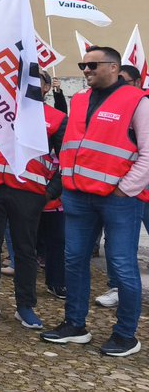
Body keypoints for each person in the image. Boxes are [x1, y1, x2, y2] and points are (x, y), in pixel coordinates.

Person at [42, 46, 149, 357]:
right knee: (74, 261)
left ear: (114, 67)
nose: (85, 70)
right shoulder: (81, 100)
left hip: (118, 200)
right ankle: (75, 325)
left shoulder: (137, 102)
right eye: (83, 65)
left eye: (92, 65)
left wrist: (124, 189)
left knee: (122, 266)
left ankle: (126, 334)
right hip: (78, 196)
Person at [0, 70, 65, 329]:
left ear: (45, 88)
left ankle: (25, 306)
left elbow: (66, 161)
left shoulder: (56, 118)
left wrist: (49, 193)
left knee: (25, 251)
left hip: (29, 193)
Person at [94, 63, 145, 309]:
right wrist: (123, 188)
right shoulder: (111, 107)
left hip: (136, 189)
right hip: (128, 191)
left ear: (136, 83)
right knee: (117, 246)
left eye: (124, 80)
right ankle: (116, 287)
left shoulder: (142, 106)